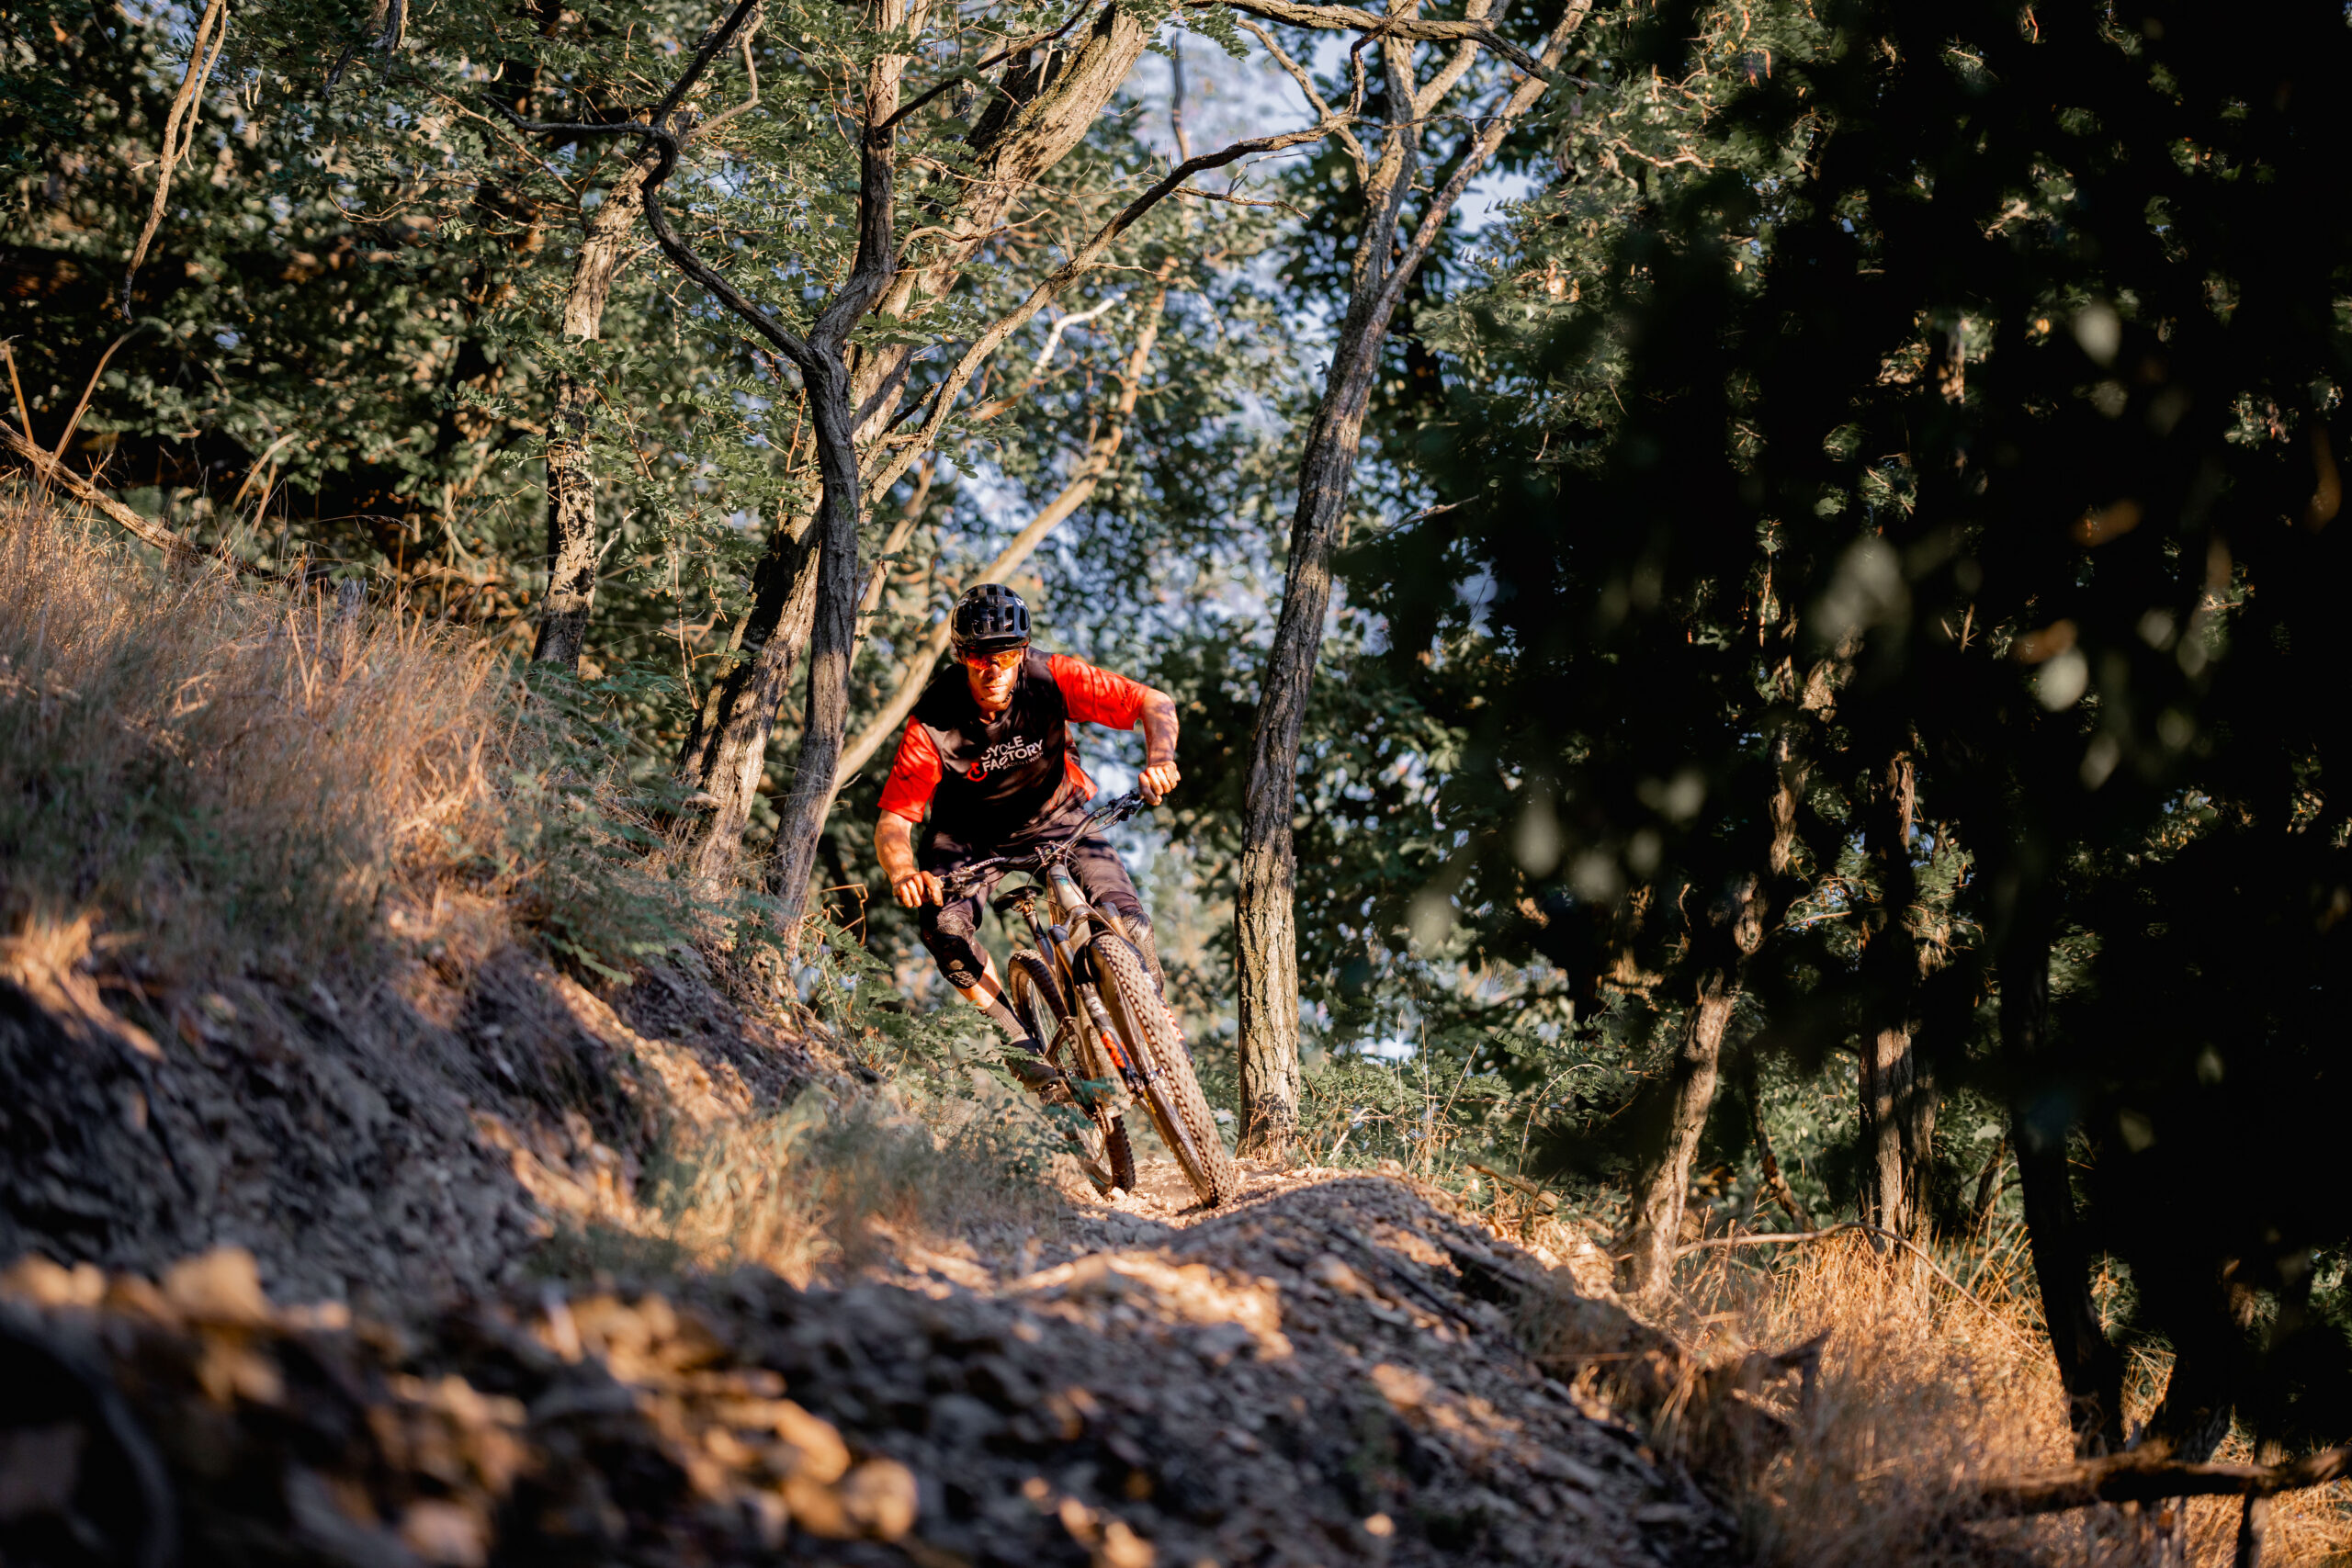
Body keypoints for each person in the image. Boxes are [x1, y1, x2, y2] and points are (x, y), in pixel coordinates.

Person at [874, 583, 1181, 1094]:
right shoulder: (933, 721)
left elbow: (1153, 702)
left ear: (1023, 650)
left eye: (1007, 654)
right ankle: (1017, 1042)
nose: (992, 670)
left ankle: (1155, 1015)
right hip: (968, 838)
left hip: (1058, 814)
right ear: (960, 655)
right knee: (945, 931)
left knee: (1129, 923)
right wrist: (902, 871)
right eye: (978, 656)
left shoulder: (1050, 677)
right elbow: (894, 821)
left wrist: (1160, 759)